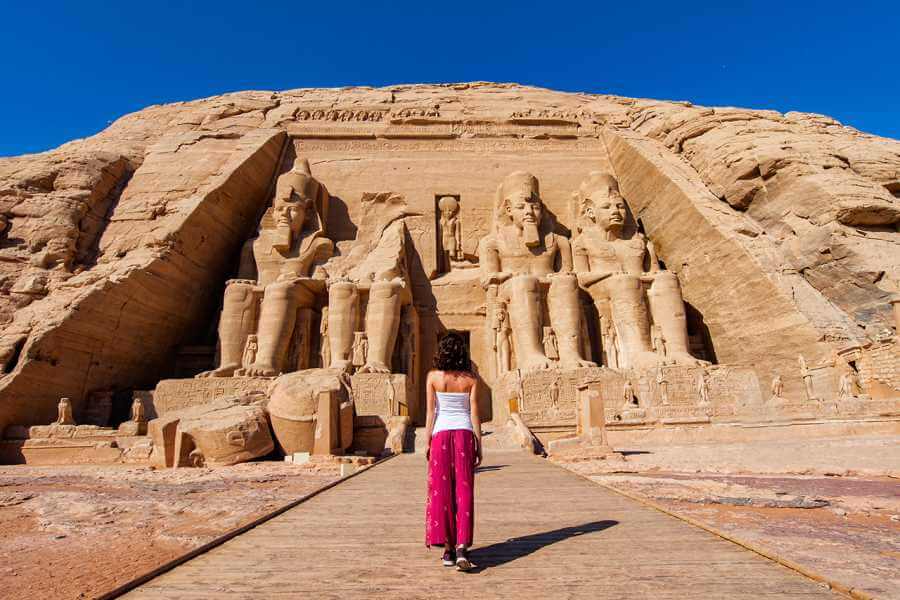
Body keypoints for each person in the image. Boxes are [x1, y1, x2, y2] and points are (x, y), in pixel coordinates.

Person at [424, 332, 482, 571]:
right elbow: (474, 413)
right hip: (464, 433)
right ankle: (461, 546)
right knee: (464, 490)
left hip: (441, 434)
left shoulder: (433, 377)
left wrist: (427, 441)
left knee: (441, 490)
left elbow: (431, 413)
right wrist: (479, 444)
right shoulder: (471, 379)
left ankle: (447, 549)